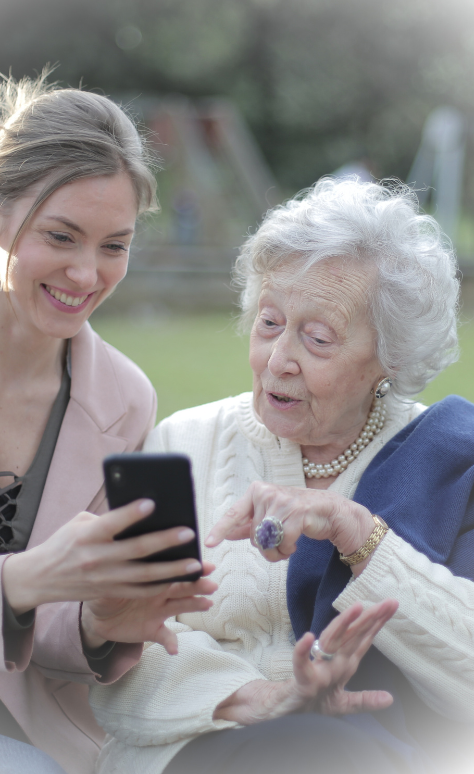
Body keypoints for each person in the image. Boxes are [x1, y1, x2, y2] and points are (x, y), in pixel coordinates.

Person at [0, 71, 216, 774]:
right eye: (61, 236)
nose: (86, 275)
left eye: (114, 246)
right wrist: (25, 578)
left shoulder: (125, 397)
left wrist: (99, 621)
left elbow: (55, 632)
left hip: (35, 736)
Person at [90, 178, 474, 774]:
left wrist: (357, 532)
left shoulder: (451, 457)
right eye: (269, 322)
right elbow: (122, 641)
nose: (277, 360)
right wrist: (262, 699)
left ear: (391, 358)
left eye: (317, 339)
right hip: (195, 747)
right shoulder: (183, 443)